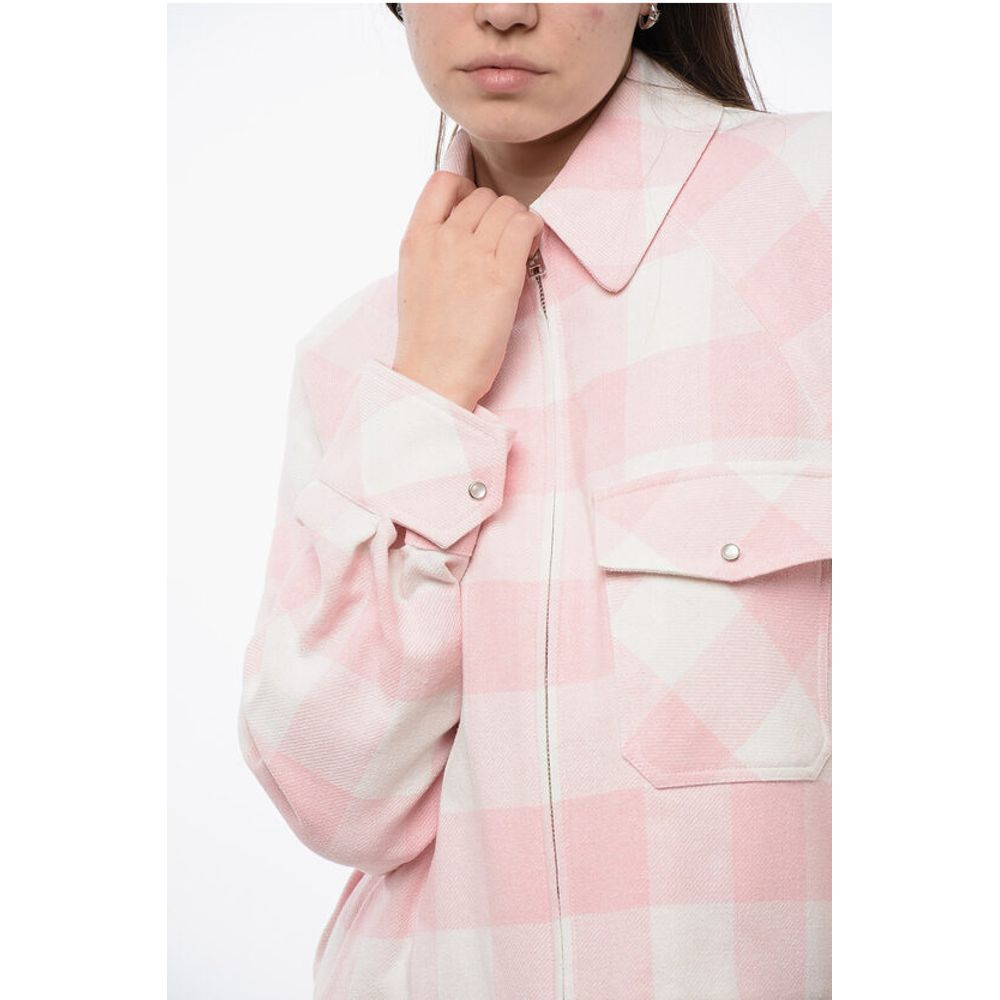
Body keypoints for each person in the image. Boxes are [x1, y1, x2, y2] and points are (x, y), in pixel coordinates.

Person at [237, 4, 832, 998]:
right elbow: (332, 801)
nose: (504, 11)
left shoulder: (832, 211)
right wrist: (427, 396)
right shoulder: (358, 358)